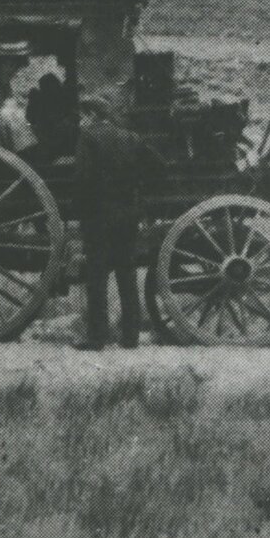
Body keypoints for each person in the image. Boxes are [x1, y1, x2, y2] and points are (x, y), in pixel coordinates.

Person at [73, 95, 165, 350]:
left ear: (91, 115)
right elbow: (158, 166)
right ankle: (130, 336)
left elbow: (83, 178)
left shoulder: (88, 138)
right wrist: (139, 193)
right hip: (127, 215)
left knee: (97, 276)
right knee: (126, 274)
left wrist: (81, 211)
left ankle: (97, 337)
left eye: (83, 115)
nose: (81, 120)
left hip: (99, 216)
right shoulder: (130, 137)